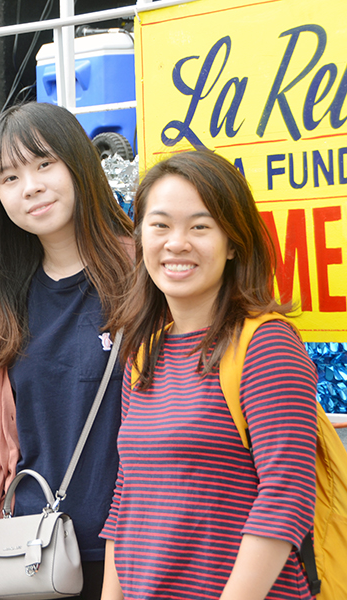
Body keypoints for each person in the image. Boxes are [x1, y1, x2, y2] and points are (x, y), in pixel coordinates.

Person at [99, 150, 317, 600]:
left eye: (200, 226)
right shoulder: (144, 350)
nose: (177, 243)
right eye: (160, 225)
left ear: (234, 242)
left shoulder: (265, 344)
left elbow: (285, 496)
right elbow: (128, 496)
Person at [0, 102, 134, 600]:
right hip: (35, 558)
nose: (29, 186)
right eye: (9, 178)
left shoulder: (142, 274)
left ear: (78, 164)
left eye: (44, 164)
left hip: (138, 552)